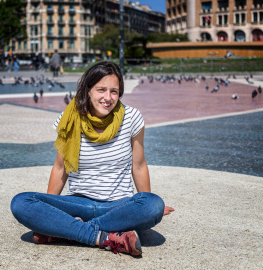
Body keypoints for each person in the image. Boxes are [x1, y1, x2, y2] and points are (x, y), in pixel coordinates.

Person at [11, 61, 174, 257]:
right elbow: (60, 167)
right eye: (101, 90)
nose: (108, 97)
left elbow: (139, 166)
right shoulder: (70, 117)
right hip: (78, 204)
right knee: (21, 202)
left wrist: (144, 201)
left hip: (118, 206)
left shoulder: (132, 117)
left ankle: (69, 232)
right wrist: (51, 208)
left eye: (114, 91)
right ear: (88, 90)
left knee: (153, 205)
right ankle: (106, 236)